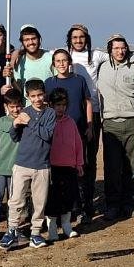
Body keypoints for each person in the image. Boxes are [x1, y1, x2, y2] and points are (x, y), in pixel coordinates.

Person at [44, 49, 96, 223]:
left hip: (77, 130)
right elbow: (45, 106)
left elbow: (87, 102)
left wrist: (90, 125)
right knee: (58, 174)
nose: (61, 64)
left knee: (79, 170)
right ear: (53, 64)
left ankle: (81, 208)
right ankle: (60, 210)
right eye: (58, 61)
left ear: (70, 62)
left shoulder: (79, 80)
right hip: (55, 133)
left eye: (64, 60)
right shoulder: (49, 83)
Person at [3, 78, 56, 249]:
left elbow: (47, 135)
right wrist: (15, 124)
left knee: (39, 202)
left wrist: (29, 122)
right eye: (33, 96)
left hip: (42, 166)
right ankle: (12, 231)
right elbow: (14, 137)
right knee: (16, 200)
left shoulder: (50, 113)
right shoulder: (24, 112)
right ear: (28, 96)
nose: (37, 99)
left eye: (40, 95)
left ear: (44, 94)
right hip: (22, 164)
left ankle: (35, 233)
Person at [96, 34, 134, 219]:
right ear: (110, 50)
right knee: (112, 166)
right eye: (116, 48)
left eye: (123, 48)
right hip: (110, 124)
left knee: (131, 165)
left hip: (133, 122)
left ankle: (128, 202)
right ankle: (113, 204)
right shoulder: (102, 67)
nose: (120, 51)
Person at [66, 24, 107, 219]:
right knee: (71, 161)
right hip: (70, 114)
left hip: (93, 113)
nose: (78, 40)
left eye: (81, 37)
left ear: (87, 38)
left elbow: (118, 54)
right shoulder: (64, 55)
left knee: (89, 160)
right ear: (69, 39)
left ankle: (88, 203)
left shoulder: (96, 55)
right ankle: (74, 204)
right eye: (74, 37)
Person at [44, 88, 85, 241]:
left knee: (69, 197)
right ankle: (52, 228)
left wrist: (79, 163)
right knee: (52, 199)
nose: (60, 108)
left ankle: (67, 226)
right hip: (52, 166)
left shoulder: (71, 122)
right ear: (51, 105)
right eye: (57, 105)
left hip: (69, 166)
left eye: (63, 105)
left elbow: (78, 143)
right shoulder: (47, 121)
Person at [0, 87, 24, 236]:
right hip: (0, 167)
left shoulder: (26, 122)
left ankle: (13, 228)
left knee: (14, 201)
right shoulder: (0, 122)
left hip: (18, 169)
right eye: (12, 106)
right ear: (6, 106)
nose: (15, 109)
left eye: (18, 106)